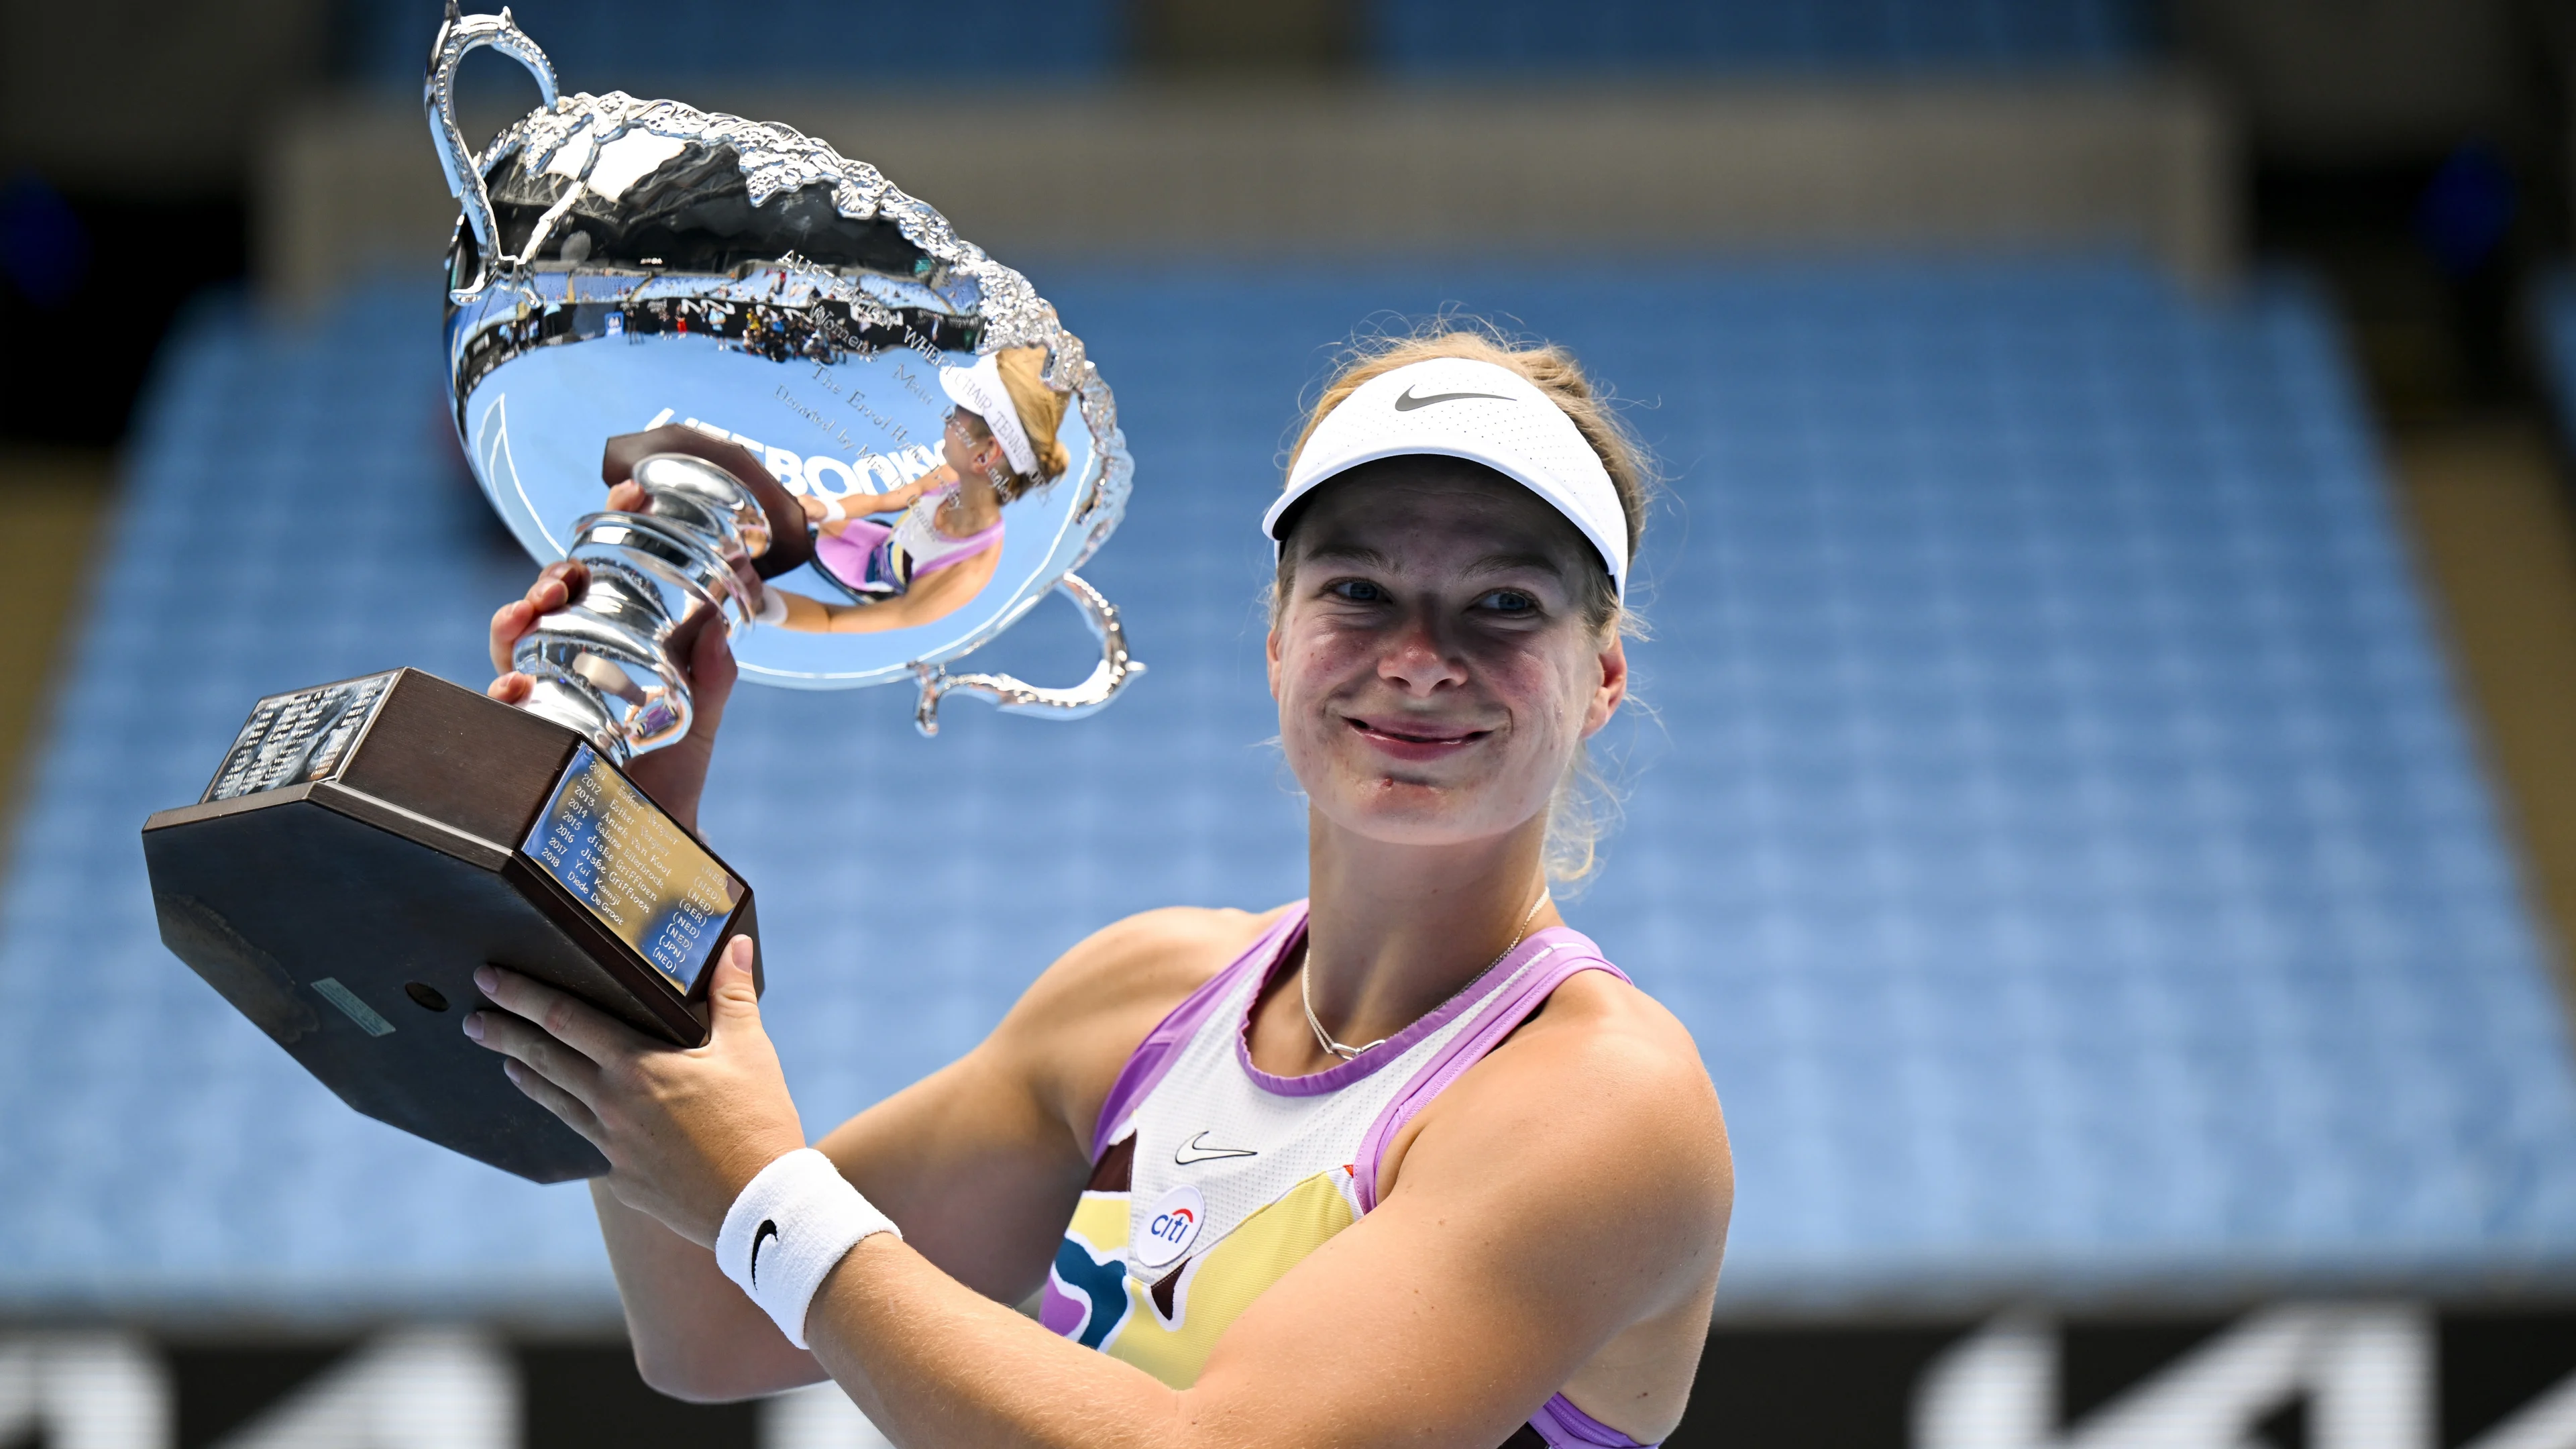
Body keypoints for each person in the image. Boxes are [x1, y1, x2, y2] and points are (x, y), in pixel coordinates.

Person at [472, 327, 1733, 1448]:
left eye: (1504, 606)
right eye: (1359, 589)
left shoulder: (1605, 1103)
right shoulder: (1145, 997)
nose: (1418, 660)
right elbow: (709, 1328)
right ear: (1278, 640)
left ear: (1604, 679)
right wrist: (624, 841)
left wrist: (768, 1197)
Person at [772, 346, 1069, 635]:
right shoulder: (948, 475)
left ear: (984, 455)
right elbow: (881, 501)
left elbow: (831, 621)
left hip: (870, 571)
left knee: (800, 540)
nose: (946, 420)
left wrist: (750, 602)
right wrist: (826, 510)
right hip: (884, 544)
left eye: (956, 416)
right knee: (809, 528)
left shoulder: (965, 572)